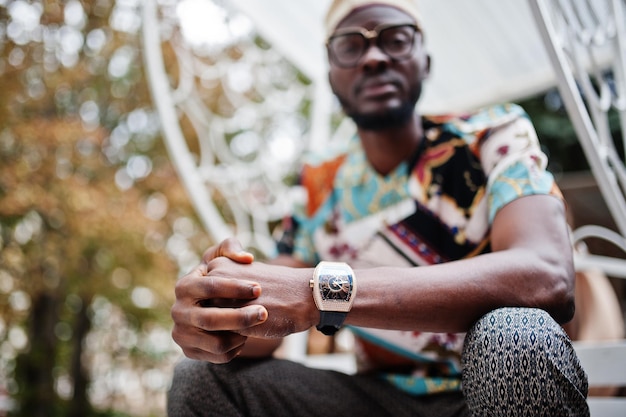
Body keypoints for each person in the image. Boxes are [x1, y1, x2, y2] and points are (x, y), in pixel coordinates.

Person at [167, 0, 590, 416]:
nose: (372, 57)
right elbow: (270, 312)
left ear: (425, 60)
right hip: (376, 399)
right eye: (350, 45)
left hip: (486, 393)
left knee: (513, 339)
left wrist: (320, 293)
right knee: (200, 377)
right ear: (331, 72)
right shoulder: (320, 181)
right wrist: (220, 310)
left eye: (396, 39)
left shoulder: (492, 137)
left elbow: (546, 274)